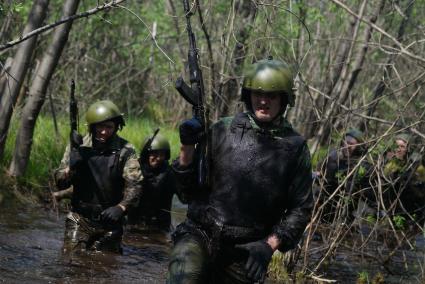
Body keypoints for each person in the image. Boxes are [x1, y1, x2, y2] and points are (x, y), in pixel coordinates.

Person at [167, 58, 313, 283]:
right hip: (199, 234)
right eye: (257, 94)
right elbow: (185, 193)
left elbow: (300, 209)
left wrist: (269, 245)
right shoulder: (222, 129)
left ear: (284, 99)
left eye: (271, 96)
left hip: (247, 249)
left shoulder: (295, 147)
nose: (263, 101)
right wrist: (186, 147)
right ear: (248, 95)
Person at [54, 100, 143, 253]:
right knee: (70, 260)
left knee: (106, 268)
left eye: (109, 127)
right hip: (79, 217)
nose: (103, 131)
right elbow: (60, 182)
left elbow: (135, 185)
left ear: (116, 127)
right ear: (92, 126)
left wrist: (121, 208)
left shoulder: (126, 150)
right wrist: (71, 167)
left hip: (110, 220)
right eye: (100, 126)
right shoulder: (78, 146)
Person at [314, 128, 370, 223]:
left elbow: (364, 192)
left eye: (352, 144)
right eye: (346, 142)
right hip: (324, 204)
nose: (347, 146)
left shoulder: (363, 165)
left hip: (346, 211)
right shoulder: (332, 156)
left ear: (359, 147)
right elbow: (321, 174)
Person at [127, 132, 177, 231]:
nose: (158, 158)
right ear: (146, 154)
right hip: (134, 224)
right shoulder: (133, 170)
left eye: (162, 154)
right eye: (154, 153)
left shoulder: (170, 173)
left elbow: (184, 197)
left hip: (160, 226)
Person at [379, 133, 425, 221]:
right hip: (393, 212)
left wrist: (410, 181)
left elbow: (421, 194)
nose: (398, 150)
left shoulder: (418, 168)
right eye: (396, 146)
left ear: (409, 149)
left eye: (402, 146)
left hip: (414, 213)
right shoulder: (390, 166)